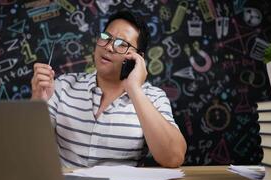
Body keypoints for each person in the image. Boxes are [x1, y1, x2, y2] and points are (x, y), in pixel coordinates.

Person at [31, 10, 187, 168]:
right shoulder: (62, 86)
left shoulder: (153, 97)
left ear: (138, 57)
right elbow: (31, 150)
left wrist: (134, 89)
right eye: (106, 37)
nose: (109, 47)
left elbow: (173, 157)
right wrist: (38, 102)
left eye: (122, 44)